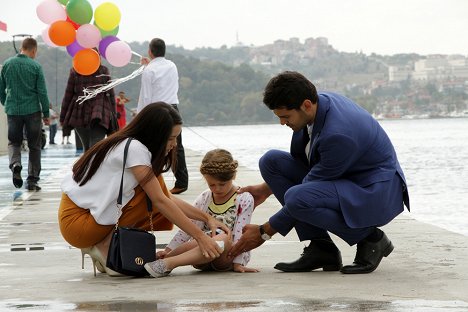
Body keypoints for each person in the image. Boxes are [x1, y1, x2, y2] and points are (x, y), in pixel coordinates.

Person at [229, 71, 410, 274]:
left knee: (298, 198)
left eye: (286, 117)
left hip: (374, 191)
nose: (282, 123)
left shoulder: (338, 135)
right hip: (347, 177)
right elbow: (313, 169)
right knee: (271, 162)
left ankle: (371, 239)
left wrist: (263, 232)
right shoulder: (317, 104)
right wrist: (265, 189)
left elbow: (306, 191)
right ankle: (321, 248)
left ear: (306, 104)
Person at [58, 102, 227, 277]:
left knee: (155, 187)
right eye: (170, 138)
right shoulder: (134, 149)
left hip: (78, 220)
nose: (174, 144)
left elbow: (167, 197)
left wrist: (207, 218)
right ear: (154, 134)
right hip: (79, 223)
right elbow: (161, 200)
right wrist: (201, 237)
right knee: (153, 193)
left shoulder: (127, 145)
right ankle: (104, 245)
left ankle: (106, 245)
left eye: (176, 138)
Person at [145, 148, 257, 277]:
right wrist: (169, 249)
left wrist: (239, 263)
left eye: (222, 184)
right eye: (212, 185)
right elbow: (189, 226)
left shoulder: (244, 198)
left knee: (223, 237)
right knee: (201, 239)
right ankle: (164, 259)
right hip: (201, 257)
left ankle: (170, 263)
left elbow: (240, 233)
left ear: (233, 176)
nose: (217, 189)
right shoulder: (205, 197)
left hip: (226, 256)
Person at [138, 38, 188, 195]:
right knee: (177, 146)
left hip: (158, 110)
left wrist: (141, 117)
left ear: (150, 51)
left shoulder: (149, 70)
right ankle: (182, 181)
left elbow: (146, 96)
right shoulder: (171, 65)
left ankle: (153, 180)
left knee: (153, 146)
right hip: (173, 107)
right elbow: (165, 80)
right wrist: (149, 64)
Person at [0, 38, 50, 191]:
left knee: (14, 142)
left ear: (21, 48)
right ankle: (32, 180)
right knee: (34, 145)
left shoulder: (7, 64)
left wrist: (6, 103)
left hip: (13, 110)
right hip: (33, 112)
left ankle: (16, 164)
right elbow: (42, 92)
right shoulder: (36, 66)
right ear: (33, 50)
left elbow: (1, 89)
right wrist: (46, 113)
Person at [60, 64, 115, 152]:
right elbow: (110, 94)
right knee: (96, 145)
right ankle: (94, 164)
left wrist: (63, 118)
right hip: (100, 111)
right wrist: (114, 114)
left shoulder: (75, 71)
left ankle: (87, 164)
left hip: (79, 113)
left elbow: (68, 95)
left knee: (86, 147)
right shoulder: (103, 70)